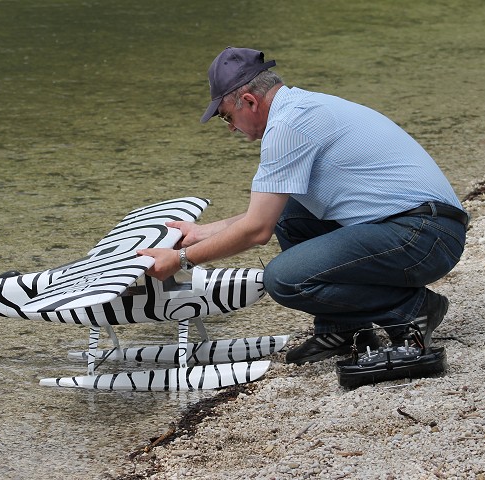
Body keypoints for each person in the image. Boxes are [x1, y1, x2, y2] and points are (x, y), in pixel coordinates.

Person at [137, 46, 468, 365]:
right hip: (426, 229)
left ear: (249, 101)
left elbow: (256, 230)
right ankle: (343, 330)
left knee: (283, 279)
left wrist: (181, 258)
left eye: (227, 117)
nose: (231, 128)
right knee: (290, 215)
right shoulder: (300, 108)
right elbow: (266, 215)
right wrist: (200, 232)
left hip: (424, 237)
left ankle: (412, 310)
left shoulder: (287, 127)